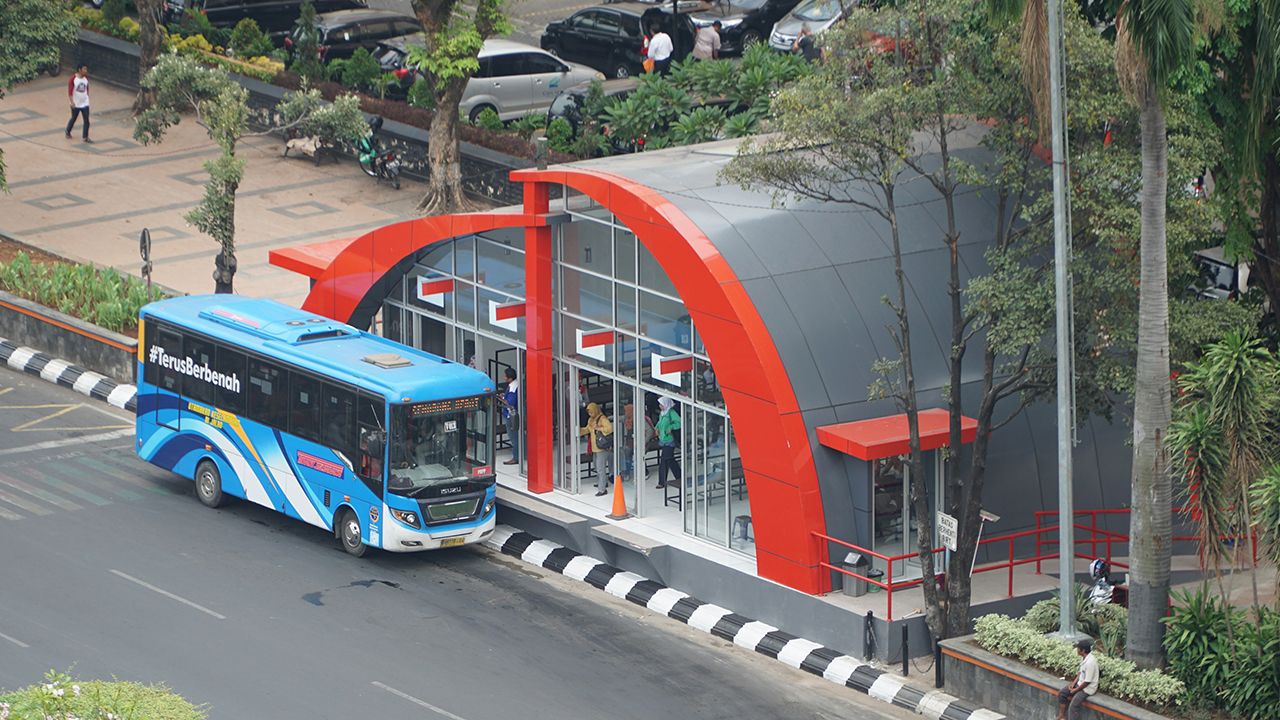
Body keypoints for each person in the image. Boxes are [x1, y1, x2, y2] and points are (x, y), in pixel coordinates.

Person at [1056, 639, 1099, 720]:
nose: (1077, 650)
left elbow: (1087, 682)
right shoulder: (1084, 658)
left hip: (1087, 689)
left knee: (1073, 706)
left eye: (1078, 648)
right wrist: (1073, 683)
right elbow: (1080, 673)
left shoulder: (1090, 663)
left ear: (1083, 650)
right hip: (1080, 684)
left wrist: (1075, 690)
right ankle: (1061, 716)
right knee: (1062, 693)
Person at [580, 403, 613, 496]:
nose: (590, 414)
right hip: (595, 448)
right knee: (597, 467)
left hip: (601, 448)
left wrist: (598, 428)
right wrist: (579, 431)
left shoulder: (602, 419)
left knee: (600, 469)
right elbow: (588, 429)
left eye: (591, 412)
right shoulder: (591, 420)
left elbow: (609, 428)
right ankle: (602, 482)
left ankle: (602, 489)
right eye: (589, 412)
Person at [655, 396, 681, 489]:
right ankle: (679, 476)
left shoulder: (671, 413)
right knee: (670, 460)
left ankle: (661, 482)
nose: (659, 406)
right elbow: (659, 422)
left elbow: (679, 422)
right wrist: (657, 428)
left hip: (670, 441)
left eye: (661, 404)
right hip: (663, 439)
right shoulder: (662, 413)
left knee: (664, 461)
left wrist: (671, 427)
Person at [66, 65, 92, 143]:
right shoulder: (73, 79)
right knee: (74, 118)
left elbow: (87, 89)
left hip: (85, 103)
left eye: (86, 69)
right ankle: (68, 131)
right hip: (76, 104)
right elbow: (70, 92)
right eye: (84, 69)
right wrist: (72, 102)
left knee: (86, 120)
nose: (86, 71)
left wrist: (86, 98)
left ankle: (85, 137)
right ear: (79, 70)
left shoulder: (86, 79)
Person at [501, 367, 519, 465]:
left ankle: (516, 457)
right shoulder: (516, 384)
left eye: (505, 376)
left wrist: (502, 399)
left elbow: (510, 403)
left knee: (513, 437)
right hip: (514, 414)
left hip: (511, 415)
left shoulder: (512, 387)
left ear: (510, 378)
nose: (504, 378)